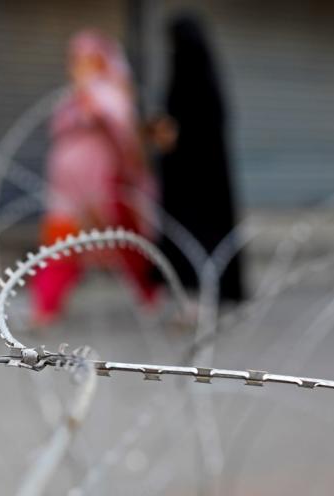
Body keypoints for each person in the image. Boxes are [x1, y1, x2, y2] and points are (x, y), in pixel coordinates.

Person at [32, 30, 159, 326]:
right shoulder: (70, 98)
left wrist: (91, 99)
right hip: (67, 186)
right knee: (60, 241)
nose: (80, 65)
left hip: (101, 183)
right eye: (76, 59)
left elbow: (122, 132)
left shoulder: (109, 94)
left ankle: (151, 295)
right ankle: (46, 306)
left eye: (88, 60)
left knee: (125, 242)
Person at [152, 13, 244, 302]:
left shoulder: (191, 79)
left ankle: (197, 297)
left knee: (192, 236)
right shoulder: (206, 78)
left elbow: (188, 127)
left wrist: (172, 134)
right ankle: (198, 296)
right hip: (204, 178)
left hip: (190, 179)